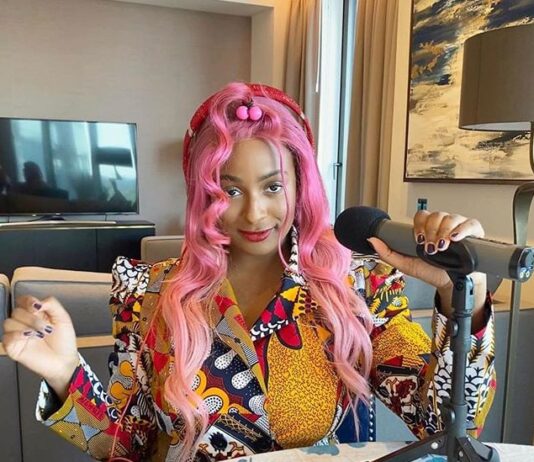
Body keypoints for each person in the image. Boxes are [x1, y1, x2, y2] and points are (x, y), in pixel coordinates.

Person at [1, 82, 495, 462]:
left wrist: (462, 295)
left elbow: (449, 424)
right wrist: (65, 373)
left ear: (300, 185)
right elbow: (129, 447)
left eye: (273, 187)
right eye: (229, 191)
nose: (255, 214)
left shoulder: (356, 288)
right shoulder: (147, 291)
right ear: (203, 196)